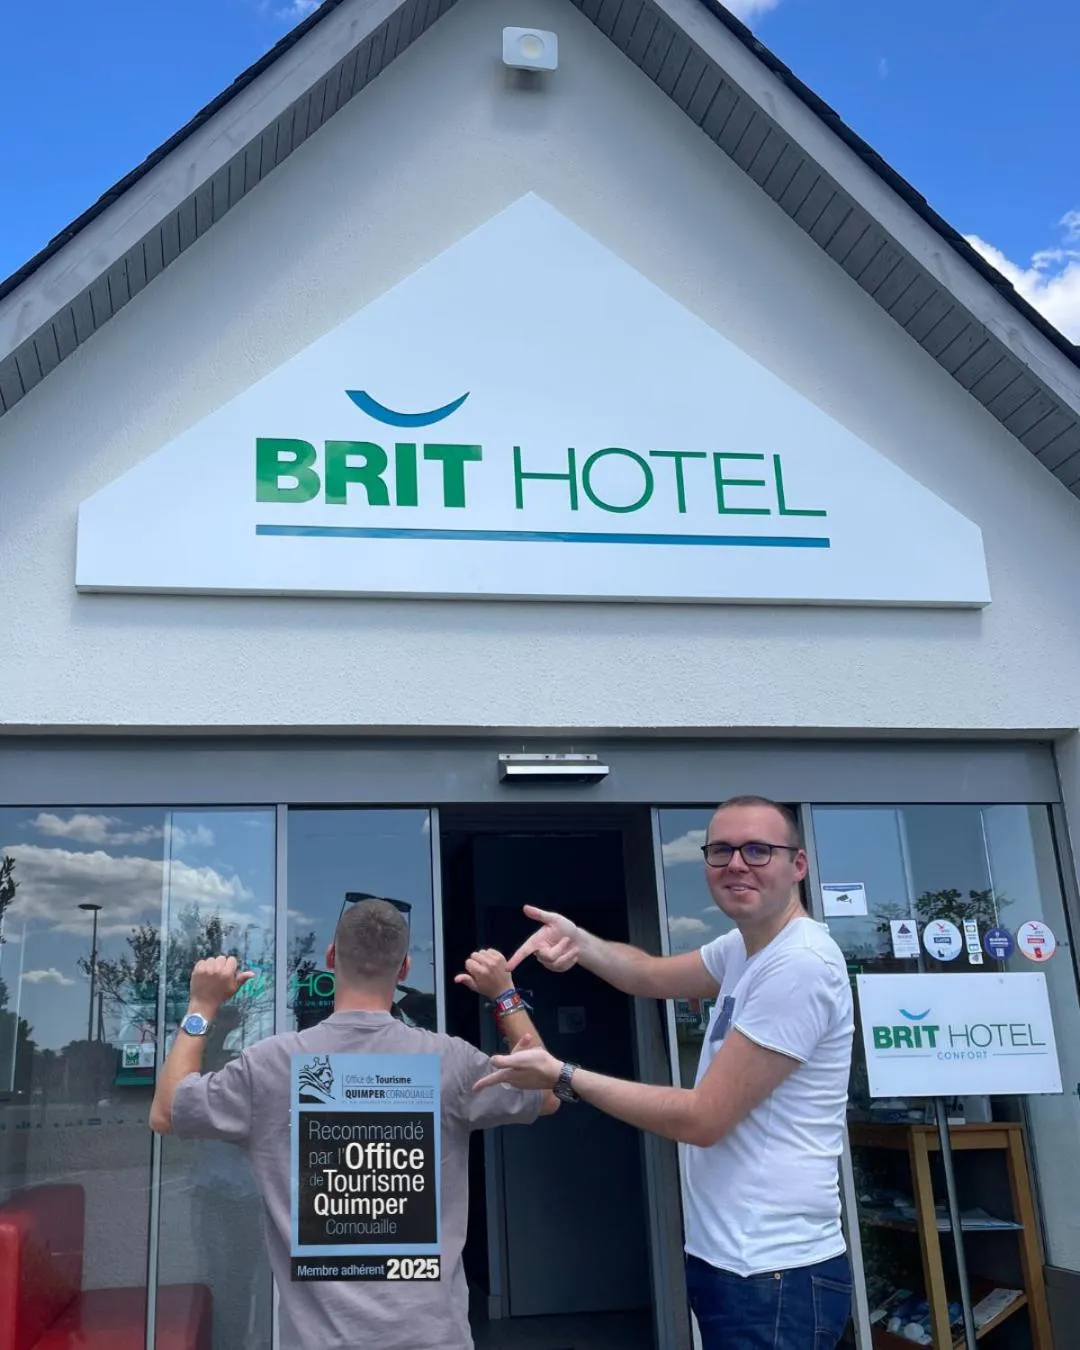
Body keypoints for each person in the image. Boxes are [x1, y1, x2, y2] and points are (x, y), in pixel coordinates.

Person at [476, 795, 855, 1350]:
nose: (736, 864)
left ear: (798, 864)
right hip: (738, 1263)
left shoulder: (799, 965)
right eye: (721, 850)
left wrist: (563, 1075)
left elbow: (703, 1118)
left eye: (757, 850)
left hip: (774, 1272)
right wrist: (580, 942)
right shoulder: (747, 948)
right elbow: (649, 975)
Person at [150, 898, 557, 1350]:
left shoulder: (271, 1064)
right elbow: (546, 1093)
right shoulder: (450, 1062)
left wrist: (202, 1004)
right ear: (404, 969)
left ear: (330, 958)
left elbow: (166, 1112)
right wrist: (505, 994)